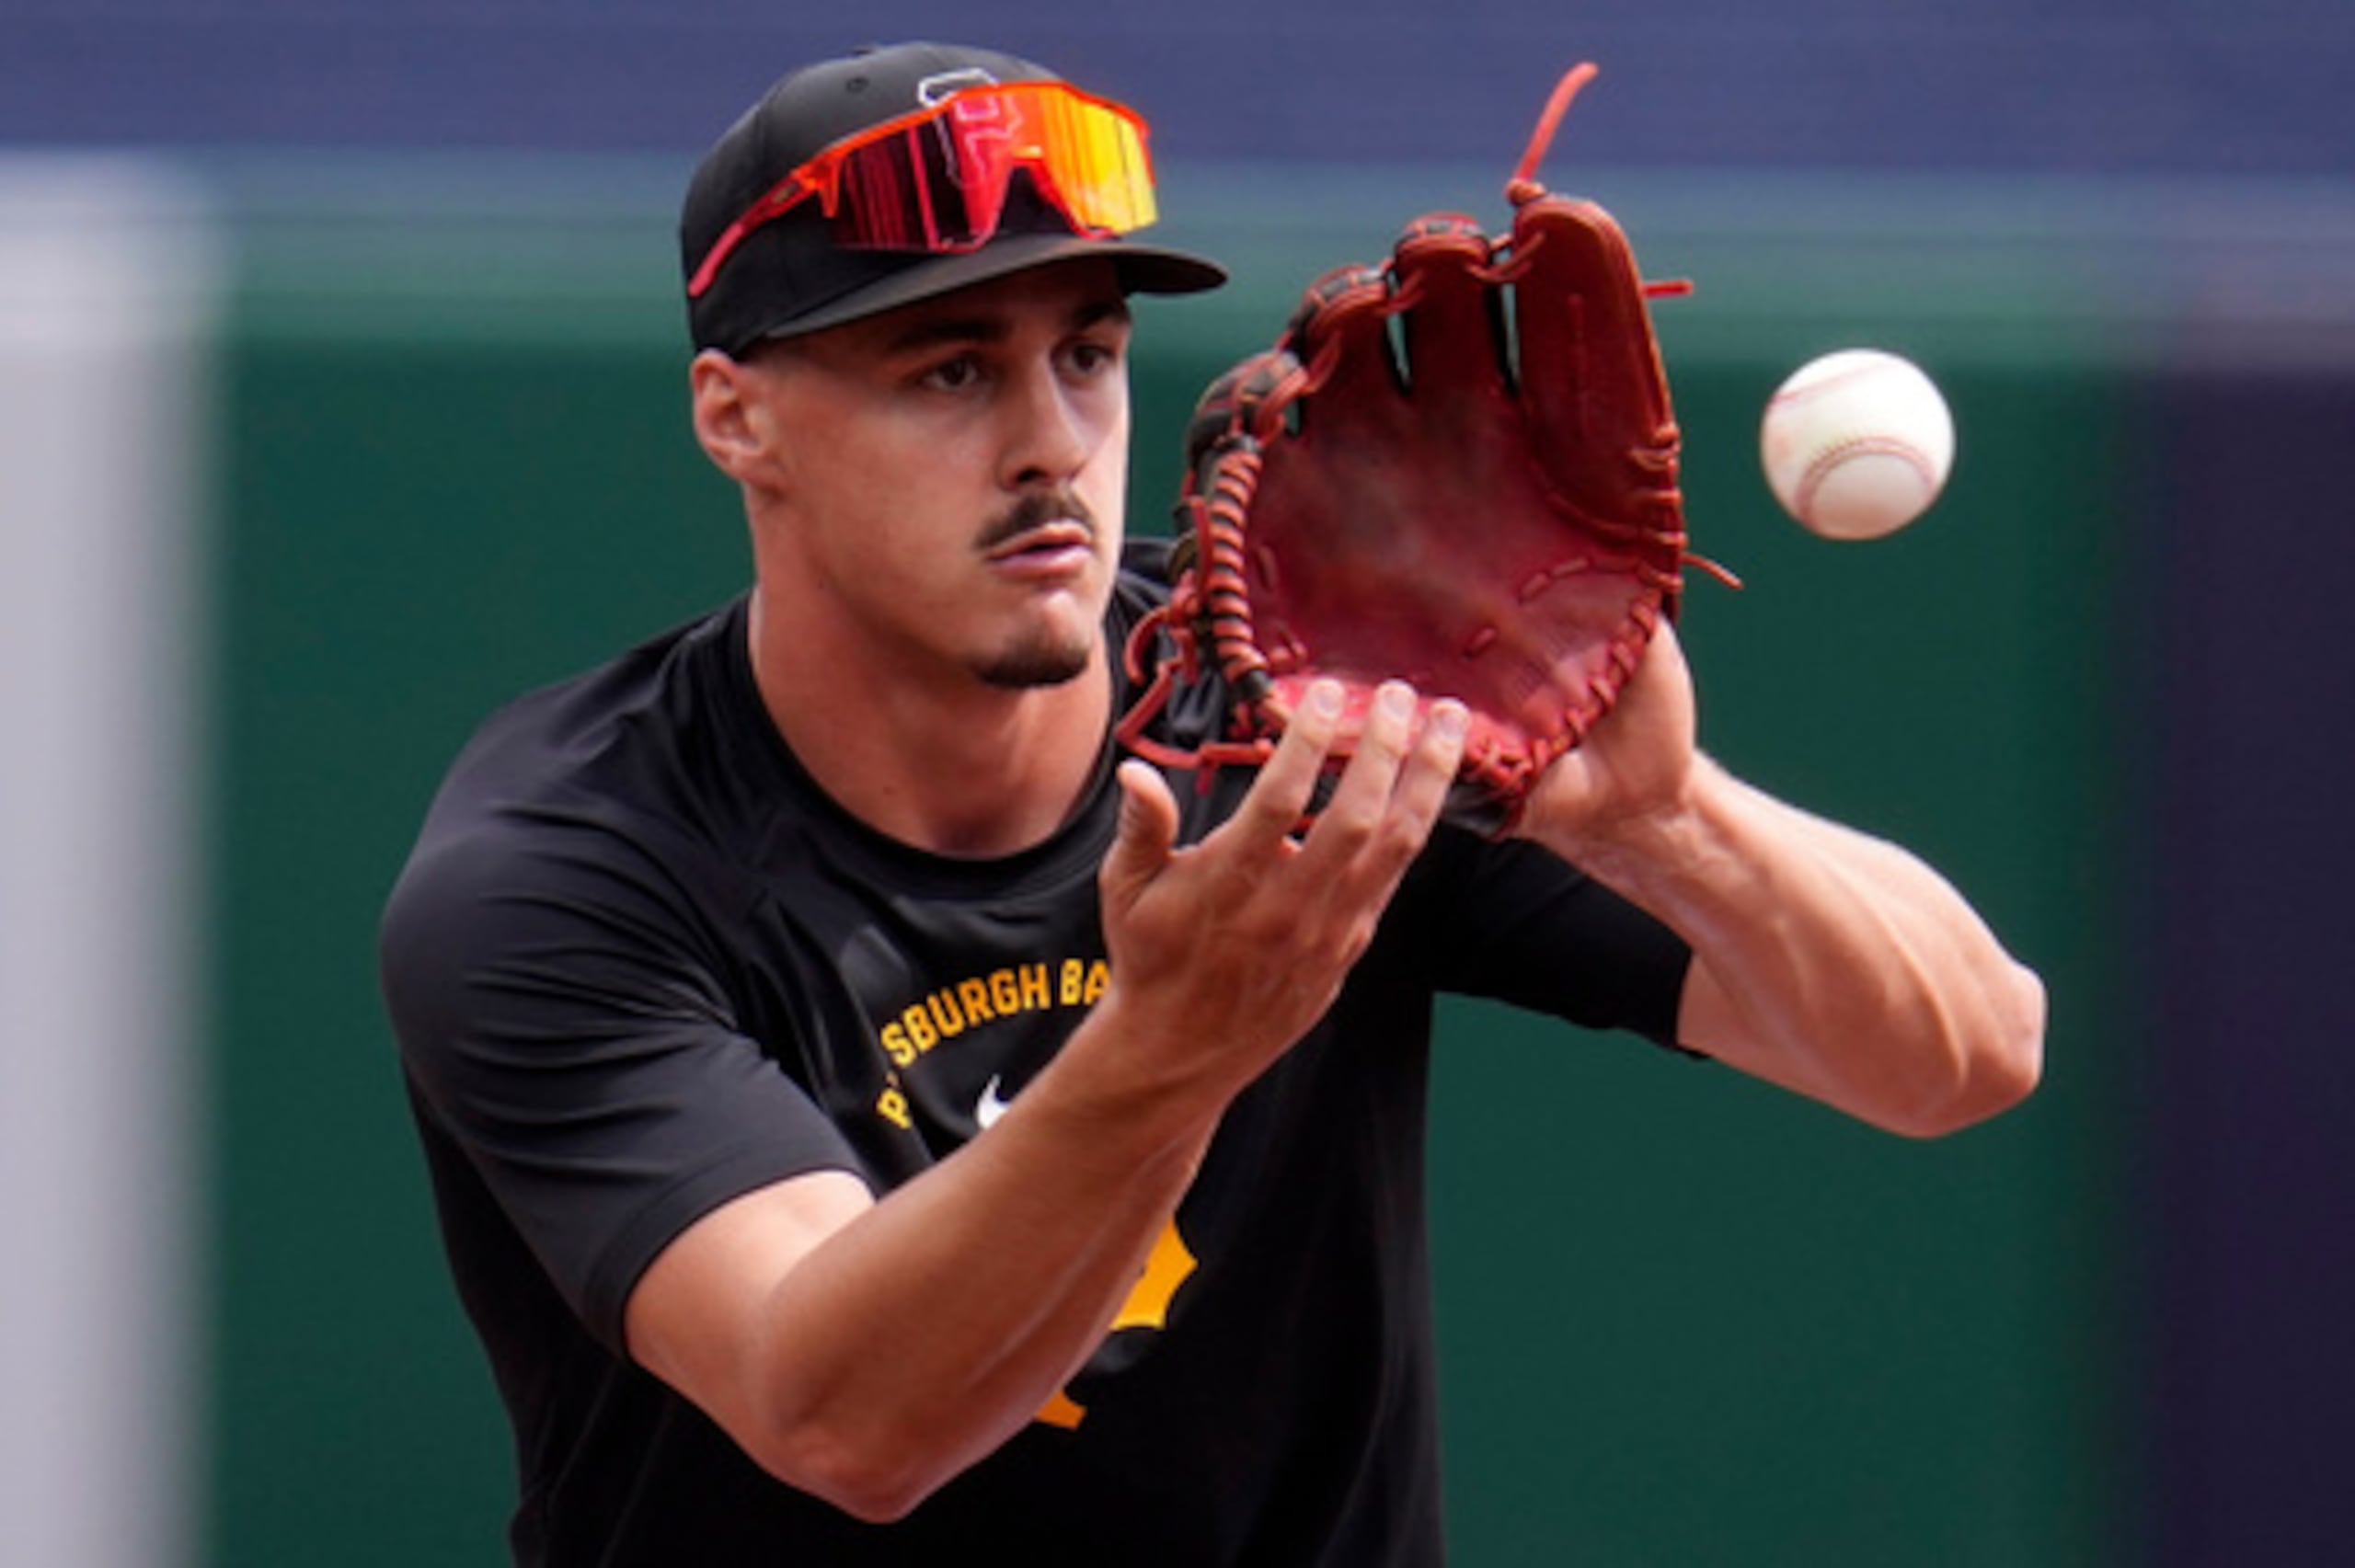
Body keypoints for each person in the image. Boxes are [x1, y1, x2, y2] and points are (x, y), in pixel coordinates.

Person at [380, 40, 2046, 1567]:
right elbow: (847, 1418)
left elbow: (1965, 1053)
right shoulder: (565, 871)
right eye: (950, 373)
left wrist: (1661, 817)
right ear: (738, 416)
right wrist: (1178, 1041)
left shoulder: (1296, 707)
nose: (1049, 441)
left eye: (1087, 354)